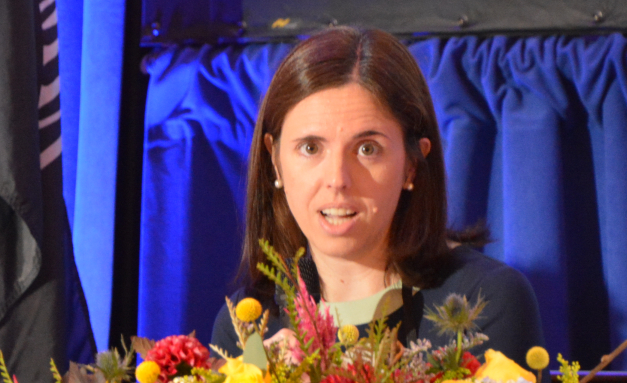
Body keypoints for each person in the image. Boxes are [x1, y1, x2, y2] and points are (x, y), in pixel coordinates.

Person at [211, 26, 543, 361]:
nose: (337, 179)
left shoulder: (487, 300)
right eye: (311, 147)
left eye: (367, 149)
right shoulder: (247, 322)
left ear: (412, 164)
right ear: (275, 163)